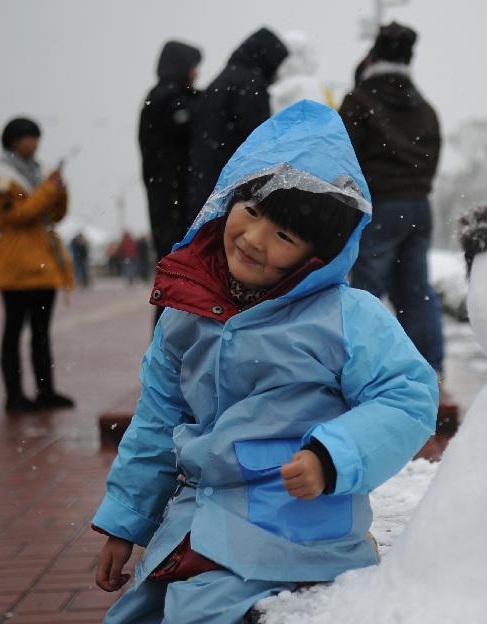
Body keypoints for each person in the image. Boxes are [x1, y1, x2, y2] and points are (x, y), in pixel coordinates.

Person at [92, 100, 437, 622]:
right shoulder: (186, 313)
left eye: (284, 235)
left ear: (316, 254)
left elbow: (408, 395)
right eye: (251, 211)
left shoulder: (345, 316)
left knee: (198, 611)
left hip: (293, 528)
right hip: (198, 519)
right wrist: (126, 521)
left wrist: (332, 456)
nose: (253, 239)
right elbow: (158, 419)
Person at [338, 22, 458, 432]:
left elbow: (342, 155)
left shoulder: (360, 102)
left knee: (367, 293)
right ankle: (431, 374)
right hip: (419, 207)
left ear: (373, 55)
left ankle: (360, 378)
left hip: (379, 206)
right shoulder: (425, 109)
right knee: (416, 291)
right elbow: (434, 158)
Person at [0, 117, 75, 413]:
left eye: (35, 137)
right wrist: (46, 191)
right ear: (12, 142)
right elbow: (16, 217)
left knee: (41, 334)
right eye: (26, 137)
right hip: (17, 267)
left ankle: (46, 391)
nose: (32, 143)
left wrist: (59, 190)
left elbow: (53, 215)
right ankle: (14, 396)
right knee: (13, 333)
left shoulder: (36, 174)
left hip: (44, 266)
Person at [187, 27, 288, 216]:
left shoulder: (223, 79)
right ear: (268, 58)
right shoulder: (250, 84)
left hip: (207, 186)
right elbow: (258, 141)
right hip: (233, 190)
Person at [139, 40, 202, 276]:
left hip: (167, 196)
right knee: (175, 271)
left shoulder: (165, 97)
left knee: (172, 271)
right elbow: (187, 120)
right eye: (193, 66)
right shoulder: (166, 98)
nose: (196, 73)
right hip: (171, 197)